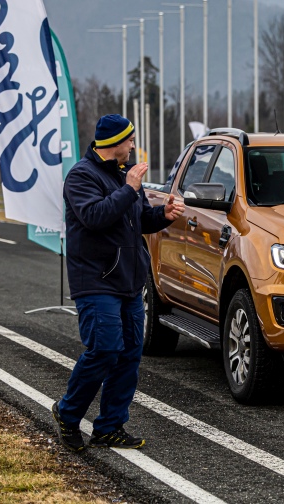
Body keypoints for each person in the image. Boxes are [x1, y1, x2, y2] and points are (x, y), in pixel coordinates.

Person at [51, 114, 184, 452]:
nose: (133, 146)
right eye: (130, 140)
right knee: (105, 350)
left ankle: (109, 427)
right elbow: (95, 217)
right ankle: (67, 413)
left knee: (128, 355)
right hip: (96, 280)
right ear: (113, 142)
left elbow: (137, 220)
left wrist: (163, 215)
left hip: (129, 281)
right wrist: (129, 189)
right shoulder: (81, 175)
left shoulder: (125, 176)